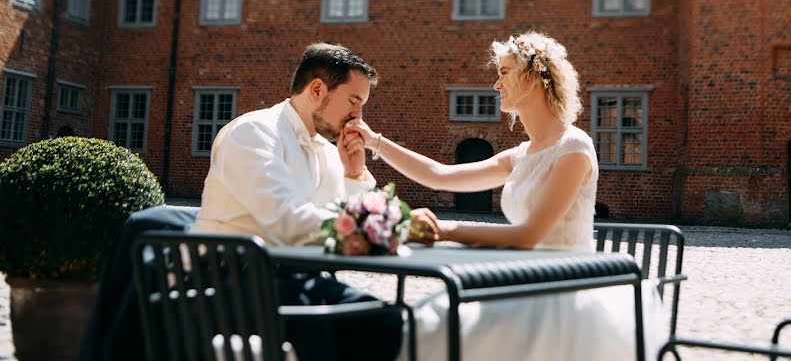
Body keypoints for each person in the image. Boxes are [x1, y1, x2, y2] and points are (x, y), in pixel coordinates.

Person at [345, 31, 666, 361]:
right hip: (519, 279)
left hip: (560, 289)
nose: (496, 85)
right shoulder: (521, 155)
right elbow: (439, 176)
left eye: (503, 73)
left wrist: (443, 231)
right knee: (423, 326)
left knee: (437, 332)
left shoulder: (573, 147)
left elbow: (529, 236)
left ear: (534, 76)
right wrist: (374, 142)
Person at [192, 42, 436, 361]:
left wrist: (353, 174)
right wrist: (386, 227)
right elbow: (288, 222)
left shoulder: (323, 149)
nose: (358, 118)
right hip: (226, 284)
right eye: (353, 101)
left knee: (382, 319)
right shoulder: (254, 133)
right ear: (318, 89)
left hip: (293, 280)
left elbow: (343, 217)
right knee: (322, 330)